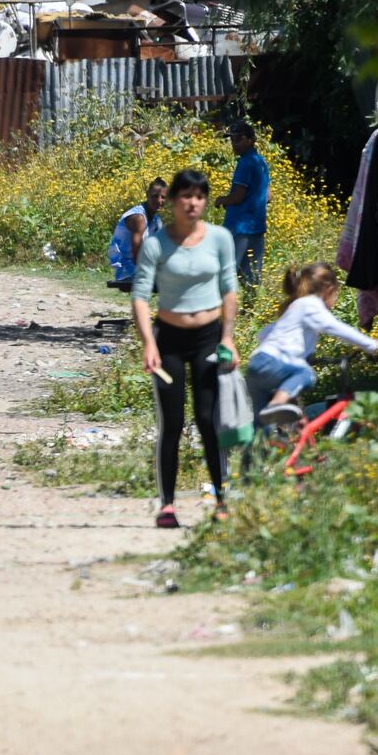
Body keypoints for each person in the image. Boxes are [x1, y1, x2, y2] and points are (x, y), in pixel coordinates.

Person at [130, 167, 239, 529]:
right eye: (185, 196)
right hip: (169, 340)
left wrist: (227, 337)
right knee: (172, 423)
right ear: (173, 201)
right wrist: (148, 343)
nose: (192, 203)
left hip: (208, 337)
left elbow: (229, 289)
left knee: (209, 420)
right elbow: (141, 296)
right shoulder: (156, 244)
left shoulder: (220, 238)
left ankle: (222, 500)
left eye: (199, 196)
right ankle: (168, 505)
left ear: (205, 201)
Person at [250, 261, 378, 423]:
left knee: (264, 424)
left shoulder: (294, 306)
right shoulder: (311, 304)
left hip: (257, 364)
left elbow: (264, 334)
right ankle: (277, 403)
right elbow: (334, 327)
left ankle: (265, 443)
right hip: (275, 362)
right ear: (329, 290)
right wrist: (372, 344)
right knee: (306, 374)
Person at [220, 121, 271, 295]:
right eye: (232, 140)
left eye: (238, 139)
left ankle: (218, 311)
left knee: (226, 270)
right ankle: (250, 312)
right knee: (251, 275)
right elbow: (268, 196)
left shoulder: (246, 163)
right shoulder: (261, 162)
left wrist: (221, 200)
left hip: (239, 226)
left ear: (250, 140)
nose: (234, 144)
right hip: (257, 226)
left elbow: (238, 196)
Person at [107, 177, 168, 296]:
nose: (159, 200)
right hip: (129, 271)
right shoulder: (138, 218)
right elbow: (137, 255)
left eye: (163, 197)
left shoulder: (156, 221)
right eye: (155, 196)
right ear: (147, 195)